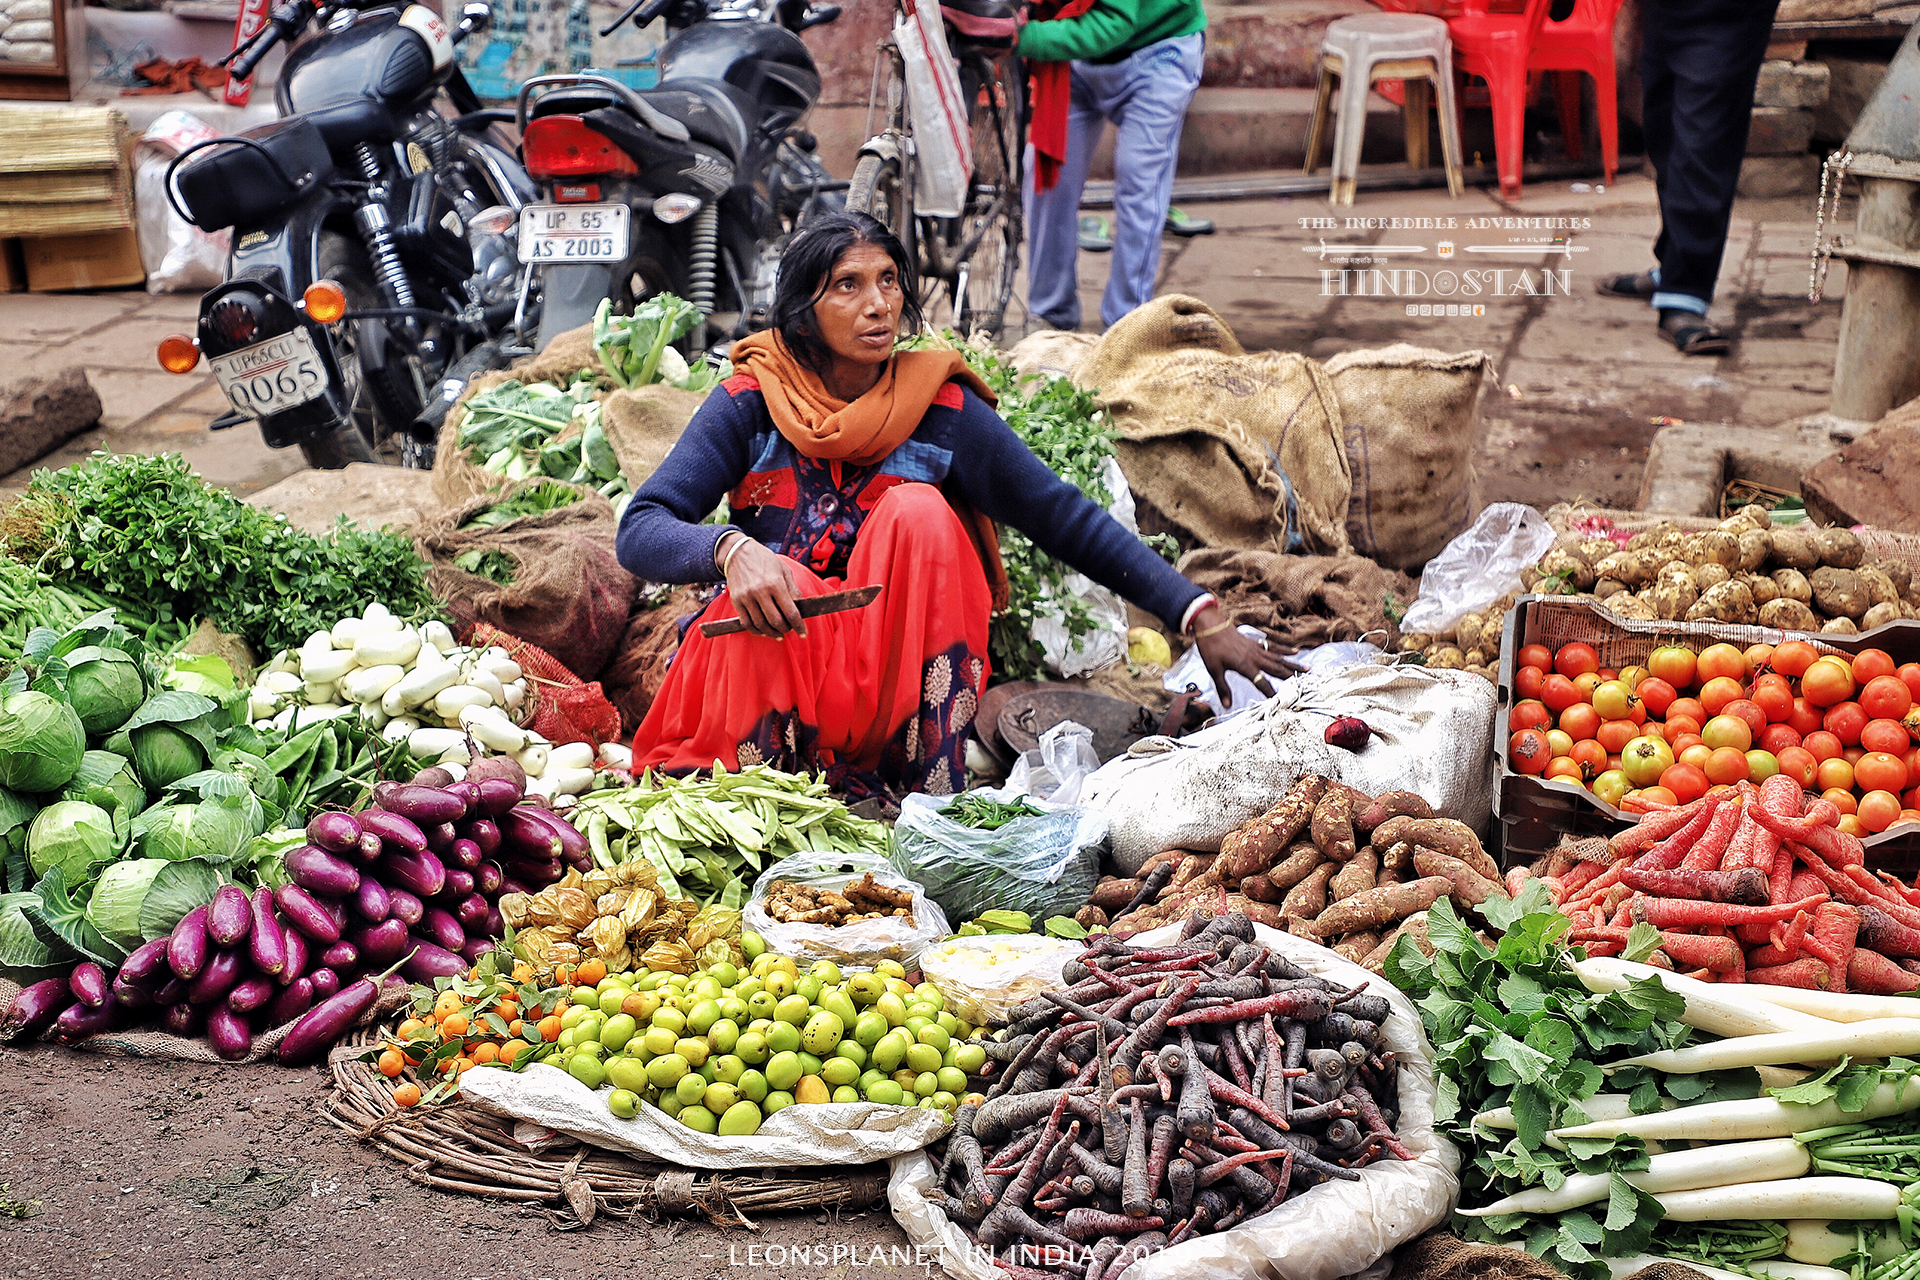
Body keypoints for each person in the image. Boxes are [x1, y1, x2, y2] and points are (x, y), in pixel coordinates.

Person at [614, 212, 1292, 798]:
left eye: (887, 281)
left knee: (921, 513)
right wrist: (729, 549)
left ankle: (919, 790)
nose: (877, 304)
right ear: (802, 310)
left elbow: (1062, 517)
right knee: (750, 595)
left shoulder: (941, 411)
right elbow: (641, 527)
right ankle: (770, 794)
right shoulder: (752, 403)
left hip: (894, 683)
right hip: (782, 667)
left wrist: (1196, 613)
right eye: (847, 286)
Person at [1594, 0, 1782, 355]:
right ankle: (1673, 265)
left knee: (1704, 138)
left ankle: (1685, 292)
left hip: (1726, 14)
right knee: (1664, 132)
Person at [1020, 0, 1205, 332]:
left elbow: (1114, 22)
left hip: (1160, 47)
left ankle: (1125, 329)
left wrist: (1021, 37)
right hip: (1076, 56)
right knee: (1046, 175)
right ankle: (1050, 318)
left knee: (1140, 181)